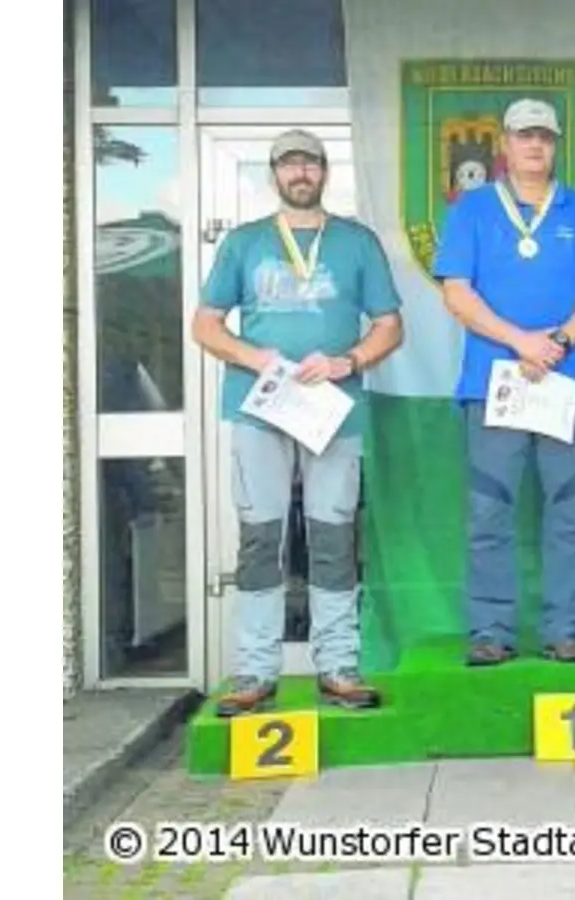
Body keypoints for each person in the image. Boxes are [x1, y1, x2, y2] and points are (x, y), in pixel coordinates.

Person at [193, 128, 405, 717]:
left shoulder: (356, 243)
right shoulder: (244, 242)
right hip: (259, 407)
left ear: (324, 172)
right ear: (274, 175)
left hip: (333, 413)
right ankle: (256, 671)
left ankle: (338, 667)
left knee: (334, 539)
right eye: (289, 164)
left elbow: (390, 325)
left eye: (309, 163)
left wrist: (348, 360)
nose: (300, 173)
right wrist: (255, 356)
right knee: (262, 538)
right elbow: (206, 325)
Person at [434, 98, 575, 666]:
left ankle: (567, 630)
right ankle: (490, 632)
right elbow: (456, 292)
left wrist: (558, 342)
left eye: (544, 136)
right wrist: (521, 341)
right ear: (504, 146)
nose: (535, 146)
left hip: (565, 382)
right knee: (489, 510)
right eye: (523, 136)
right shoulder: (472, 210)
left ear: (556, 144)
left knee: (572, 511)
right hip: (496, 384)